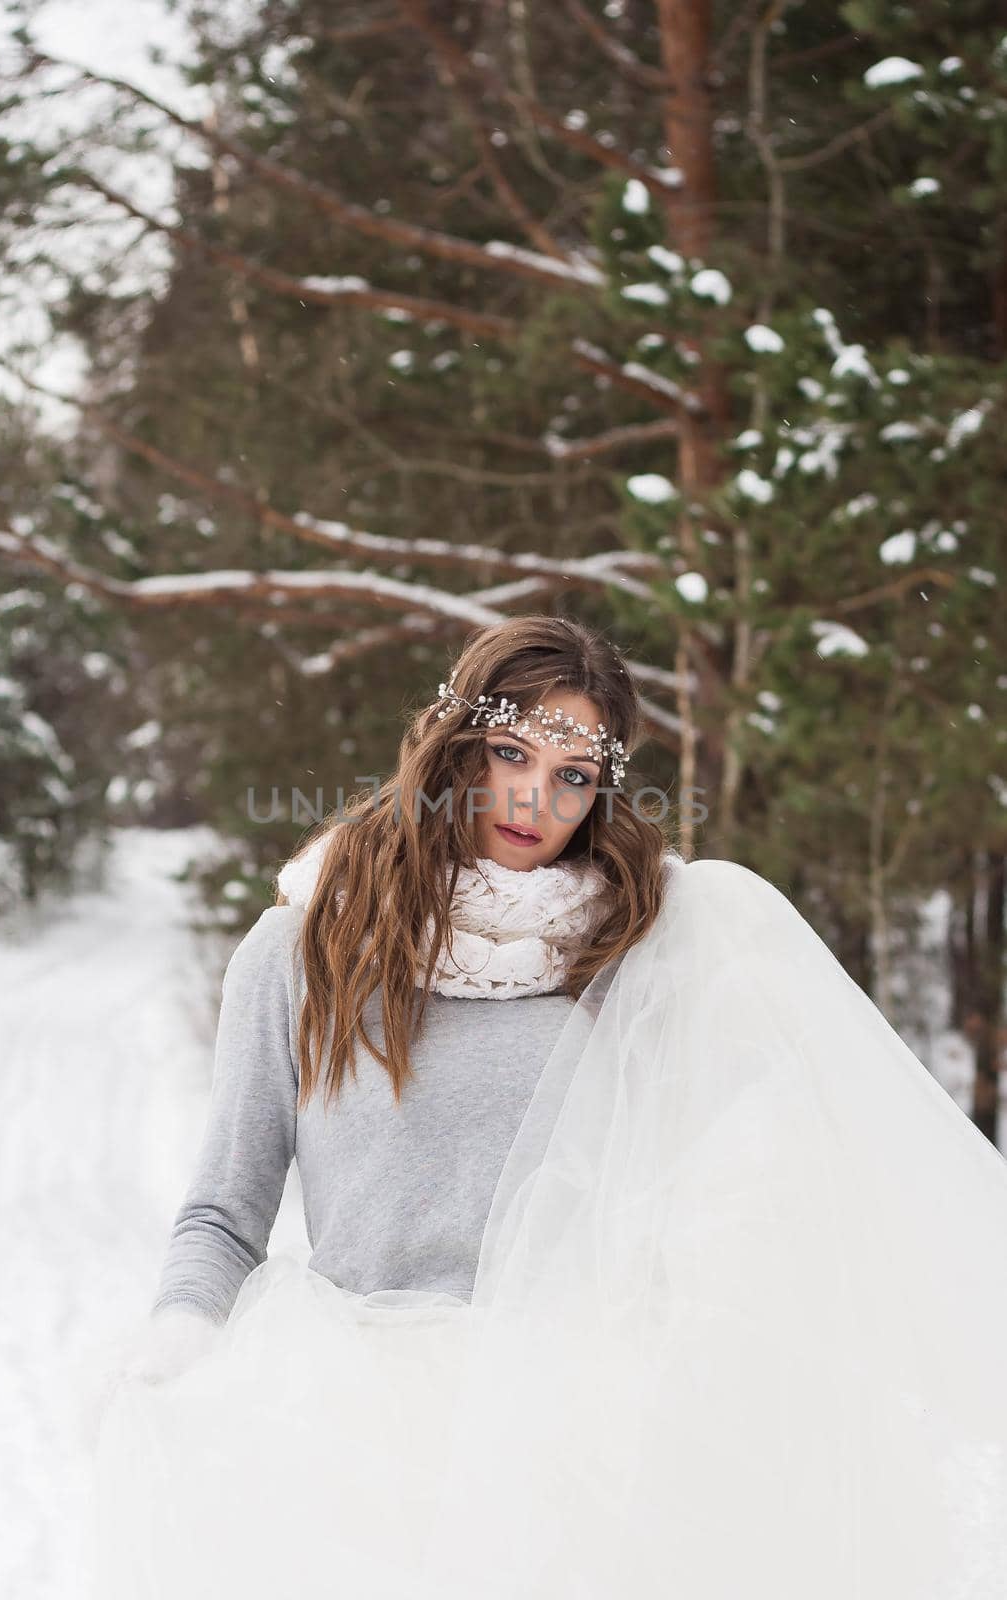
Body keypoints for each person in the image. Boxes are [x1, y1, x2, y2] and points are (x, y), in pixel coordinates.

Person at [89, 614, 1007, 1599]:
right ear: (454, 748)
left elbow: (718, 1192)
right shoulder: (299, 952)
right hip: (352, 1439)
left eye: (572, 774)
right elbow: (224, 1213)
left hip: (573, 1446)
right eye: (509, 751)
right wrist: (180, 1333)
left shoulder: (632, 958)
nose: (534, 795)